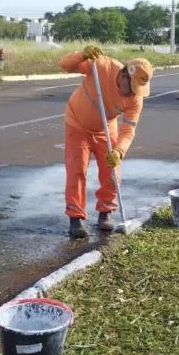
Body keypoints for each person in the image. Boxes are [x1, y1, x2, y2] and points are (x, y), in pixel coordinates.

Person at [59, 45, 153, 238]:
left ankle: (105, 213)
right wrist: (81, 55)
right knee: (77, 170)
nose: (134, 93)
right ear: (125, 75)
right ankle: (75, 218)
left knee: (113, 171)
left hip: (105, 127)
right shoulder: (101, 66)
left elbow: (128, 129)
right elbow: (64, 65)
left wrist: (119, 151)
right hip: (77, 124)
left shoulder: (136, 99)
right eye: (133, 87)